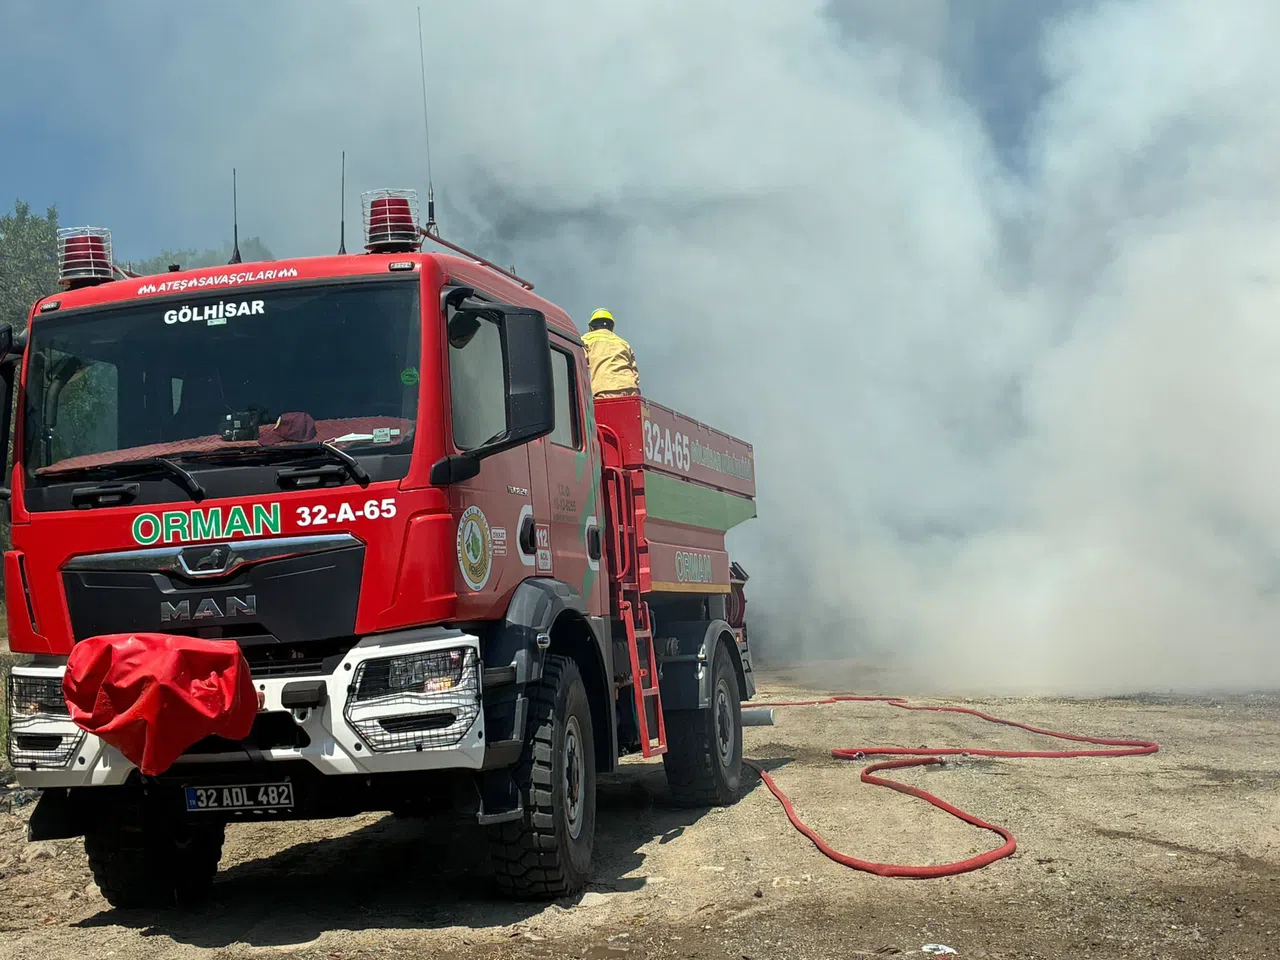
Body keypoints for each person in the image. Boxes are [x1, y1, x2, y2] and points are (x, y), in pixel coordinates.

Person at [582, 308, 640, 398]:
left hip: (604, 389)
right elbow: (635, 374)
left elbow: (580, 365)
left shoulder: (586, 340)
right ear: (611, 327)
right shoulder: (623, 343)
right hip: (631, 390)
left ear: (591, 327)